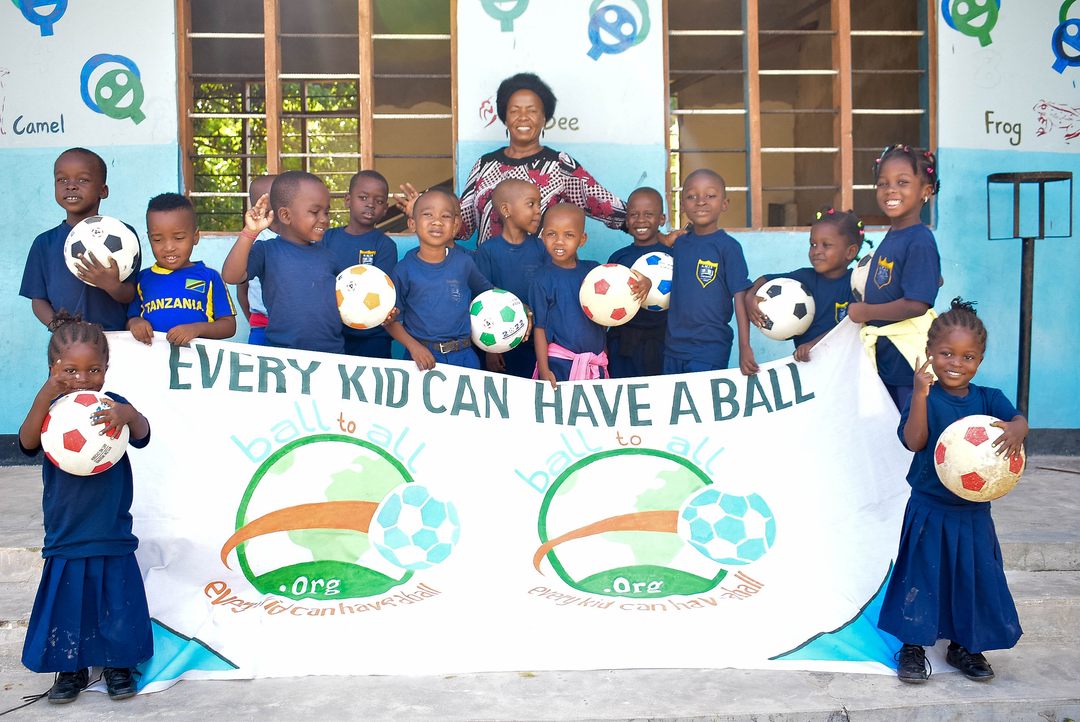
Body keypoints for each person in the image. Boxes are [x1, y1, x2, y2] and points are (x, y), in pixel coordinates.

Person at [879, 298, 1028, 684]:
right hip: (929, 508)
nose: (956, 363)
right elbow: (914, 442)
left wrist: (1018, 428)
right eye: (946, 353)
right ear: (929, 352)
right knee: (921, 577)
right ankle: (912, 647)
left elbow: (1018, 420)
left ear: (980, 360)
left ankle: (964, 646)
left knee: (972, 579)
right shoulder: (925, 397)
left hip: (973, 514)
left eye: (968, 357)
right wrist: (918, 394)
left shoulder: (989, 398)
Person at [18, 313, 153, 703]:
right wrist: (45, 393)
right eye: (70, 370)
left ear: (106, 370)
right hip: (67, 524)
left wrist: (129, 416)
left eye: (93, 370)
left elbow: (143, 435)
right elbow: (27, 443)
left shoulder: (112, 405)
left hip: (109, 522)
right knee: (69, 600)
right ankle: (69, 668)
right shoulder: (51, 410)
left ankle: (118, 664)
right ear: (53, 369)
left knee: (116, 598)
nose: (82, 378)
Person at [402, 73, 626, 244]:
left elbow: (606, 206)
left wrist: (641, 223)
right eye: (515, 110)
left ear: (544, 118)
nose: (523, 117)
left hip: (541, 277)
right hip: (489, 276)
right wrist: (422, 210)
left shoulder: (559, 165)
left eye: (532, 111)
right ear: (504, 117)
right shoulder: (484, 165)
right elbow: (463, 226)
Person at [847, 144, 942, 411]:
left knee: (910, 421)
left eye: (902, 182)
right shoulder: (894, 235)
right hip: (888, 351)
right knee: (890, 423)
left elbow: (917, 304)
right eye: (883, 183)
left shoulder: (919, 239)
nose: (890, 190)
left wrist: (866, 311)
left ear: (925, 191)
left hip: (908, 355)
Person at [221, 171, 344, 353]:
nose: (324, 219)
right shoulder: (266, 251)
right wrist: (250, 232)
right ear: (285, 215)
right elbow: (231, 276)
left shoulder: (329, 256)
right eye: (314, 212)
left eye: (326, 212)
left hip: (331, 355)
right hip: (282, 355)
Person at [20, 147, 140, 332]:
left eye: (82, 179)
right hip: (67, 340)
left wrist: (112, 286)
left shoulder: (124, 235)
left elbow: (131, 294)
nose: (71, 186)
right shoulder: (44, 243)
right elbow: (38, 300)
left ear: (103, 190)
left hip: (115, 338)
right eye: (62, 180)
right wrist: (59, 327)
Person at [530, 204, 648, 386]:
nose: (559, 241)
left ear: (582, 239)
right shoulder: (541, 279)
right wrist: (544, 370)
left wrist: (646, 282)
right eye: (552, 234)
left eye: (569, 235)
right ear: (543, 236)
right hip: (559, 365)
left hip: (594, 364)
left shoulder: (594, 271)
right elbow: (539, 329)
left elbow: (626, 284)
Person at [386, 189, 493, 370]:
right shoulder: (403, 270)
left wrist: (519, 306)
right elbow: (389, 321)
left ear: (455, 226)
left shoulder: (464, 263)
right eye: (428, 214)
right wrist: (413, 347)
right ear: (412, 224)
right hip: (421, 359)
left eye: (445, 216)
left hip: (464, 356)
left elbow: (490, 295)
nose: (437, 221)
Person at [663, 169, 756, 375]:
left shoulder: (728, 247)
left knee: (702, 396)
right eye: (691, 196)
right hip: (673, 347)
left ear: (724, 204)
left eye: (710, 195)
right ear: (682, 205)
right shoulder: (679, 245)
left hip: (710, 348)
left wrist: (744, 347)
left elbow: (740, 297)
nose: (700, 202)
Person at [745, 208, 864, 363]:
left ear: (850, 252)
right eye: (813, 244)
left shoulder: (855, 284)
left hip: (842, 363)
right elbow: (764, 279)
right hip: (808, 364)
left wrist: (814, 345)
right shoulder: (804, 277)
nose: (817, 251)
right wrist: (750, 297)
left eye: (826, 245)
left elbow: (850, 327)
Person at [126, 193, 237, 345]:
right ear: (150, 238)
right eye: (157, 239)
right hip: (153, 358)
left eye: (178, 238)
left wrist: (197, 329)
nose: (169, 247)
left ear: (195, 236)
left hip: (197, 359)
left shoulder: (209, 277)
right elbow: (130, 319)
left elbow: (229, 326)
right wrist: (135, 323)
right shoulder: (142, 279)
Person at [474, 179, 546, 376]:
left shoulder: (541, 248)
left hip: (535, 343)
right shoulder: (488, 251)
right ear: (506, 209)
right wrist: (490, 349)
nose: (538, 210)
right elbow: (482, 298)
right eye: (531, 204)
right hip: (499, 345)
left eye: (539, 204)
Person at [323, 170, 398, 358]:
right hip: (332, 333)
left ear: (385, 209)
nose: (370, 204)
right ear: (348, 200)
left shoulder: (385, 245)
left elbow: (381, 290)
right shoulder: (327, 238)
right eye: (363, 197)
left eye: (379, 201)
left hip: (373, 337)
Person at [606, 187, 669, 377]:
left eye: (649, 214)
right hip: (623, 343)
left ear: (662, 219)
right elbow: (605, 304)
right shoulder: (619, 258)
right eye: (634, 214)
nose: (641, 220)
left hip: (663, 343)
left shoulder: (672, 258)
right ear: (626, 220)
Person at [235, 175, 276, 345]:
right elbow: (241, 290)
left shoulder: (301, 238)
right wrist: (254, 322)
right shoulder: (254, 241)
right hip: (262, 326)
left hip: (297, 327)